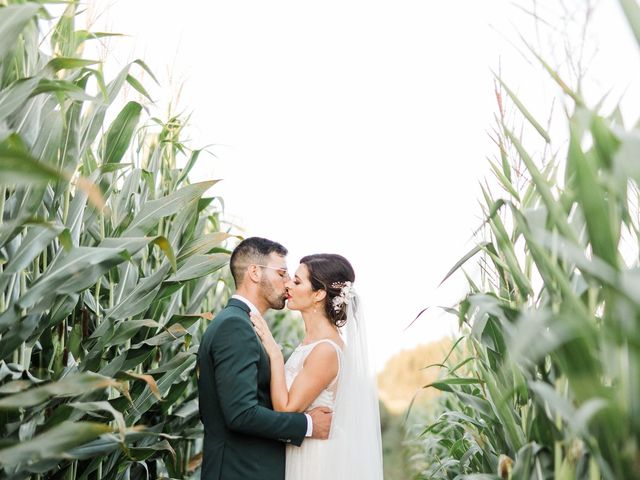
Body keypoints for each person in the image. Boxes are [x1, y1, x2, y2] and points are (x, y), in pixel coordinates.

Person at [197, 237, 333, 480]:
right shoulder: (234, 327)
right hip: (239, 471)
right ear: (255, 273)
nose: (288, 283)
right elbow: (241, 414)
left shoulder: (244, 324)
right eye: (281, 273)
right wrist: (308, 425)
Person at [251, 253, 384, 479]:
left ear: (319, 294)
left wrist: (273, 352)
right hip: (302, 451)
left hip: (316, 462)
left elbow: (286, 408)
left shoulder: (326, 350)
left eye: (297, 281)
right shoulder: (312, 344)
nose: (288, 284)